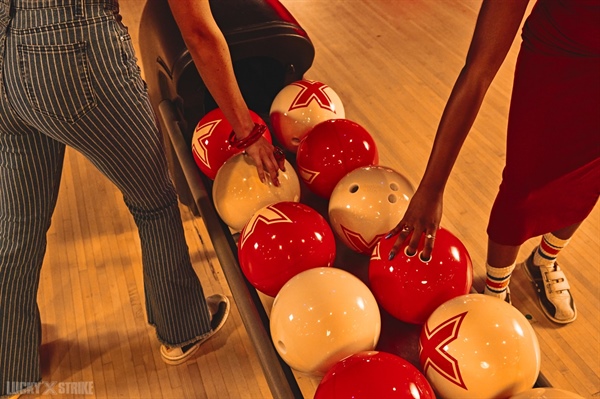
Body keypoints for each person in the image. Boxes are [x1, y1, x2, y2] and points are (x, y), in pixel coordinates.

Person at [0, 0, 283, 397]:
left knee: (18, 228)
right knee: (154, 203)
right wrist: (246, 130)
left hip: (8, 48)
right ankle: (183, 329)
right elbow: (199, 34)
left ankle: (10, 365)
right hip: (75, 50)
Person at [387, 0, 599, 324]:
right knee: (524, 185)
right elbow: (477, 73)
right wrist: (432, 188)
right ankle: (496, 288)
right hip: (557, 60)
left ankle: (543, 261)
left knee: (590, 178)